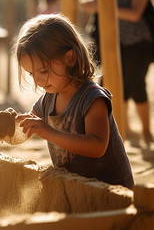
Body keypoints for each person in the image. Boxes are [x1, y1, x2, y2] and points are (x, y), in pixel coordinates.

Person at [13, 14, 134, 189]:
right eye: (32, 74)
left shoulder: (92, 98)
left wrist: (49, 132)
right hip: (77, 188)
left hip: (110, 192)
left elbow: (97, 146)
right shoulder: (48, 99)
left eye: (43, 71)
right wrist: (10, 123)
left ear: (69, 58)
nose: (38, 80)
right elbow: (26, 129)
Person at [79, 0, 154, 145]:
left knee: (136, 85)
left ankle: (146, 132)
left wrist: (104, 7)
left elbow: (135, 14)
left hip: (138, 42)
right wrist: (92, 4)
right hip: (112, 43)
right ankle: (124, 129)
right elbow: (83, 3)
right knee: (112, 85)